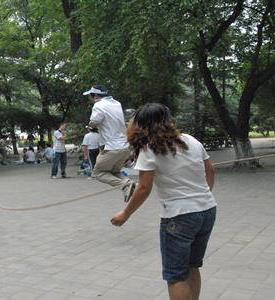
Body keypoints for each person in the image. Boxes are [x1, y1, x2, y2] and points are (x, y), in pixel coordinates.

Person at [111, 103, 217, 300]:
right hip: (207, 210)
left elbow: (144, 187)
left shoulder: (149, 148)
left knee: (176, 274)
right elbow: (209, 171)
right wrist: (200, 197)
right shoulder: (191, 140)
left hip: (179, 216)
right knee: (192, 266)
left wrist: (125, 214)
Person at [84, 85, 135, 202]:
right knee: (114, 172)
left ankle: (125, 184)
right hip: (125, 147)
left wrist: (90, 124)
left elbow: (95, 123)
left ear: (96, 96)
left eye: (91, 97)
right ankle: (130, 185)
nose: (91, 100)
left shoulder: (99, 105)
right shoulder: (117, 103)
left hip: (112, 147)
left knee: (97, 172)